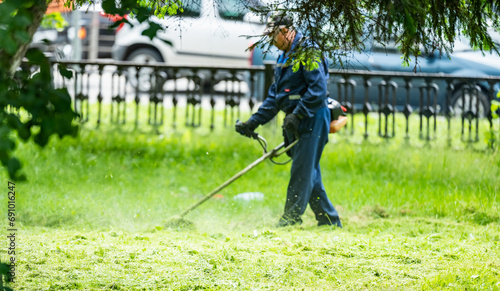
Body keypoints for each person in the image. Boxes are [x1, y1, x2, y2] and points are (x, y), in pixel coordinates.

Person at [235, 12, 342, 228]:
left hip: (312, 117)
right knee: (308, 170)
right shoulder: (283, 56)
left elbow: (318, 90)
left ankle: (290, 220)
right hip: (296, 119)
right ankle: (330, 220)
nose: (272, 42)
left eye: (273, 36)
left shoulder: (308, 51)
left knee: (302, 171)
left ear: (285, 31)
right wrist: (253, 122)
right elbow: (276, 97)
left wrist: (298, 113)